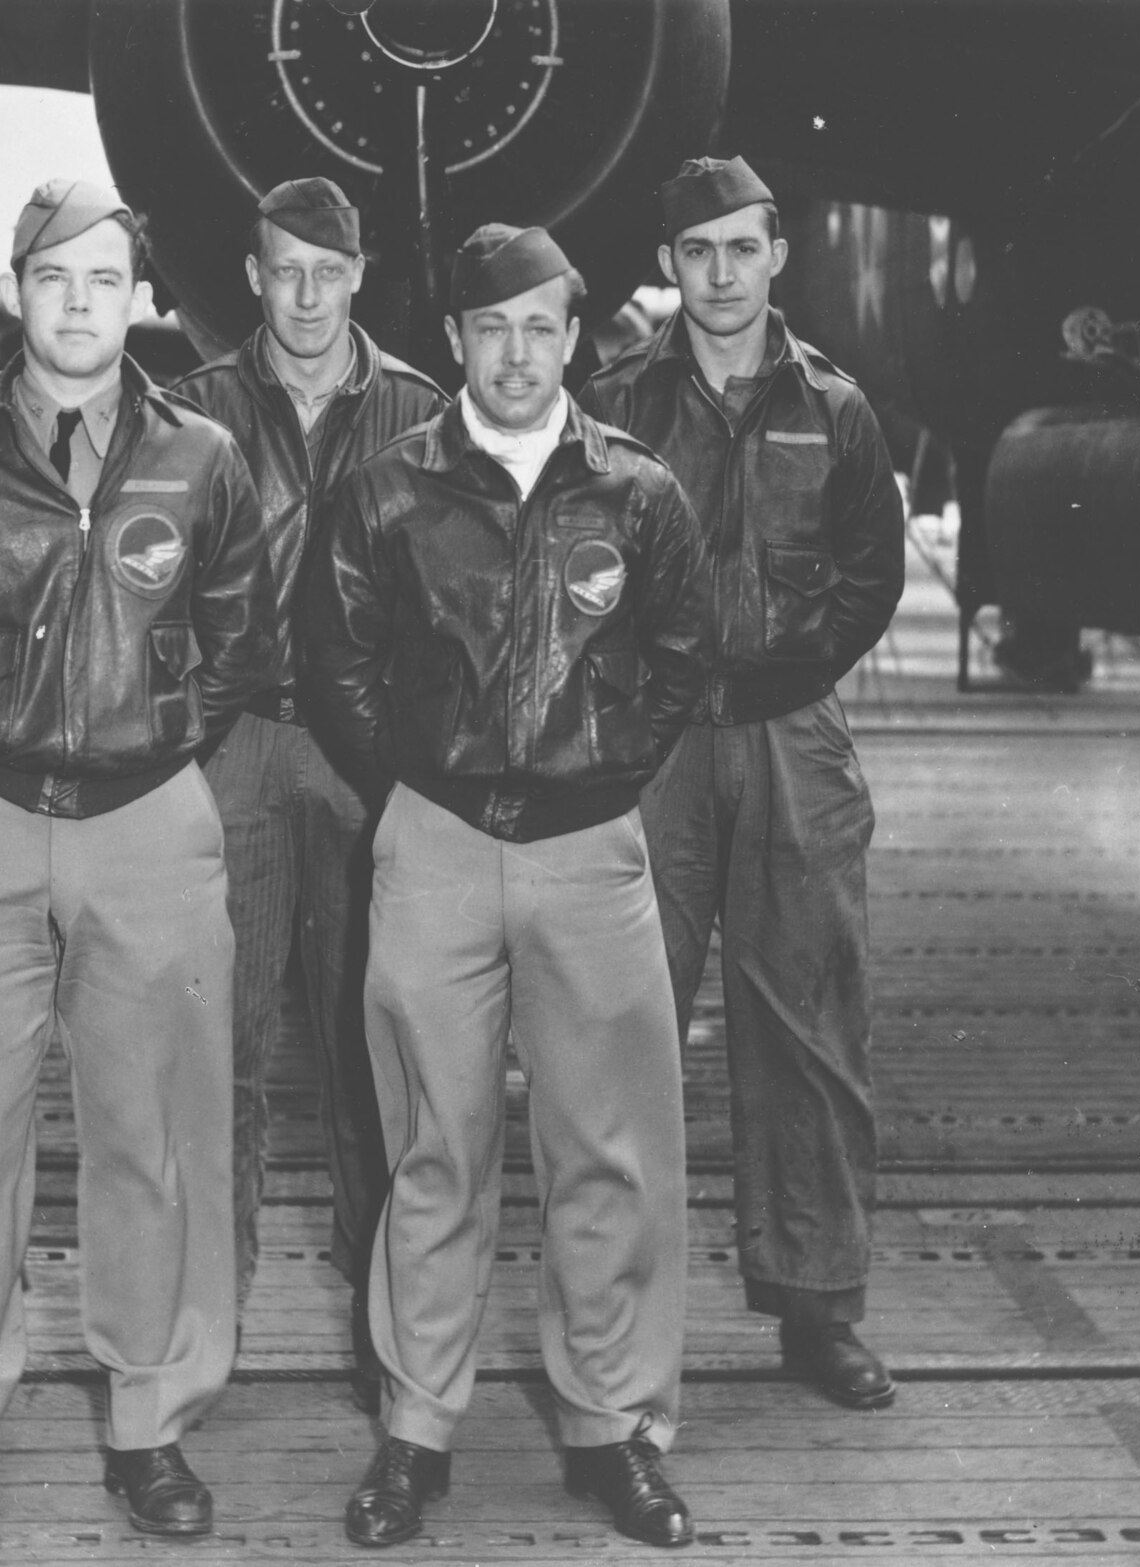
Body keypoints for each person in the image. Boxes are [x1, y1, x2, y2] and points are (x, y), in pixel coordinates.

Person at [0, 180, 273, 1546]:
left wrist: (141, 742)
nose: (78, 306)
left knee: (154, 1135)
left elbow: (241, 638)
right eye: (51, 279)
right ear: (16, 289)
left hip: (149, 821)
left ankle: (147, 1418)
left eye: (103, 281)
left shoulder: (201, 455)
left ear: (138, 297)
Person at [307, 223, 709, 1550]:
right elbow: (341, 660)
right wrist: (430, 774)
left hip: (593, 854)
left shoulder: (639, 490)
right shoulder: (386, 488)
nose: (519, 350)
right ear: (456, 344)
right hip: (433, 843)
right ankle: (414, 1433)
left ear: (574, 334)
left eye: (542, 325)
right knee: (436, 1146)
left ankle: (613, 1429)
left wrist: (591, 771)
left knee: (609, 1149)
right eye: (493, 328)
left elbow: (678, 658)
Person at [579, 155, 907, 1411]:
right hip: (649, 756)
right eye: (694, 252)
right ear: (667, 265)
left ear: (777, 255)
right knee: (620, 1026)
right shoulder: (613, 402)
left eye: (740, 249)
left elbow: (868, 575)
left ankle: (817, 1310)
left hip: (789, 740)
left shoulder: (834, 406)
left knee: (811, 1026)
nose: (718, 275)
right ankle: (618, 1312)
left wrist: (777, 665)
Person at [170, 177, 444, 1405]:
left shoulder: (419, 414)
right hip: (233, 748)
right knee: (212, 1042)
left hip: (361, 759)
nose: (304, 294)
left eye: (326, 272)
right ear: (251, 276)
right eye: (283, 269)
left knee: (371, 1043)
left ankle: (386, 1333)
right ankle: (199, 1332)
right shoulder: (190, 409)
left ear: (358, 276)